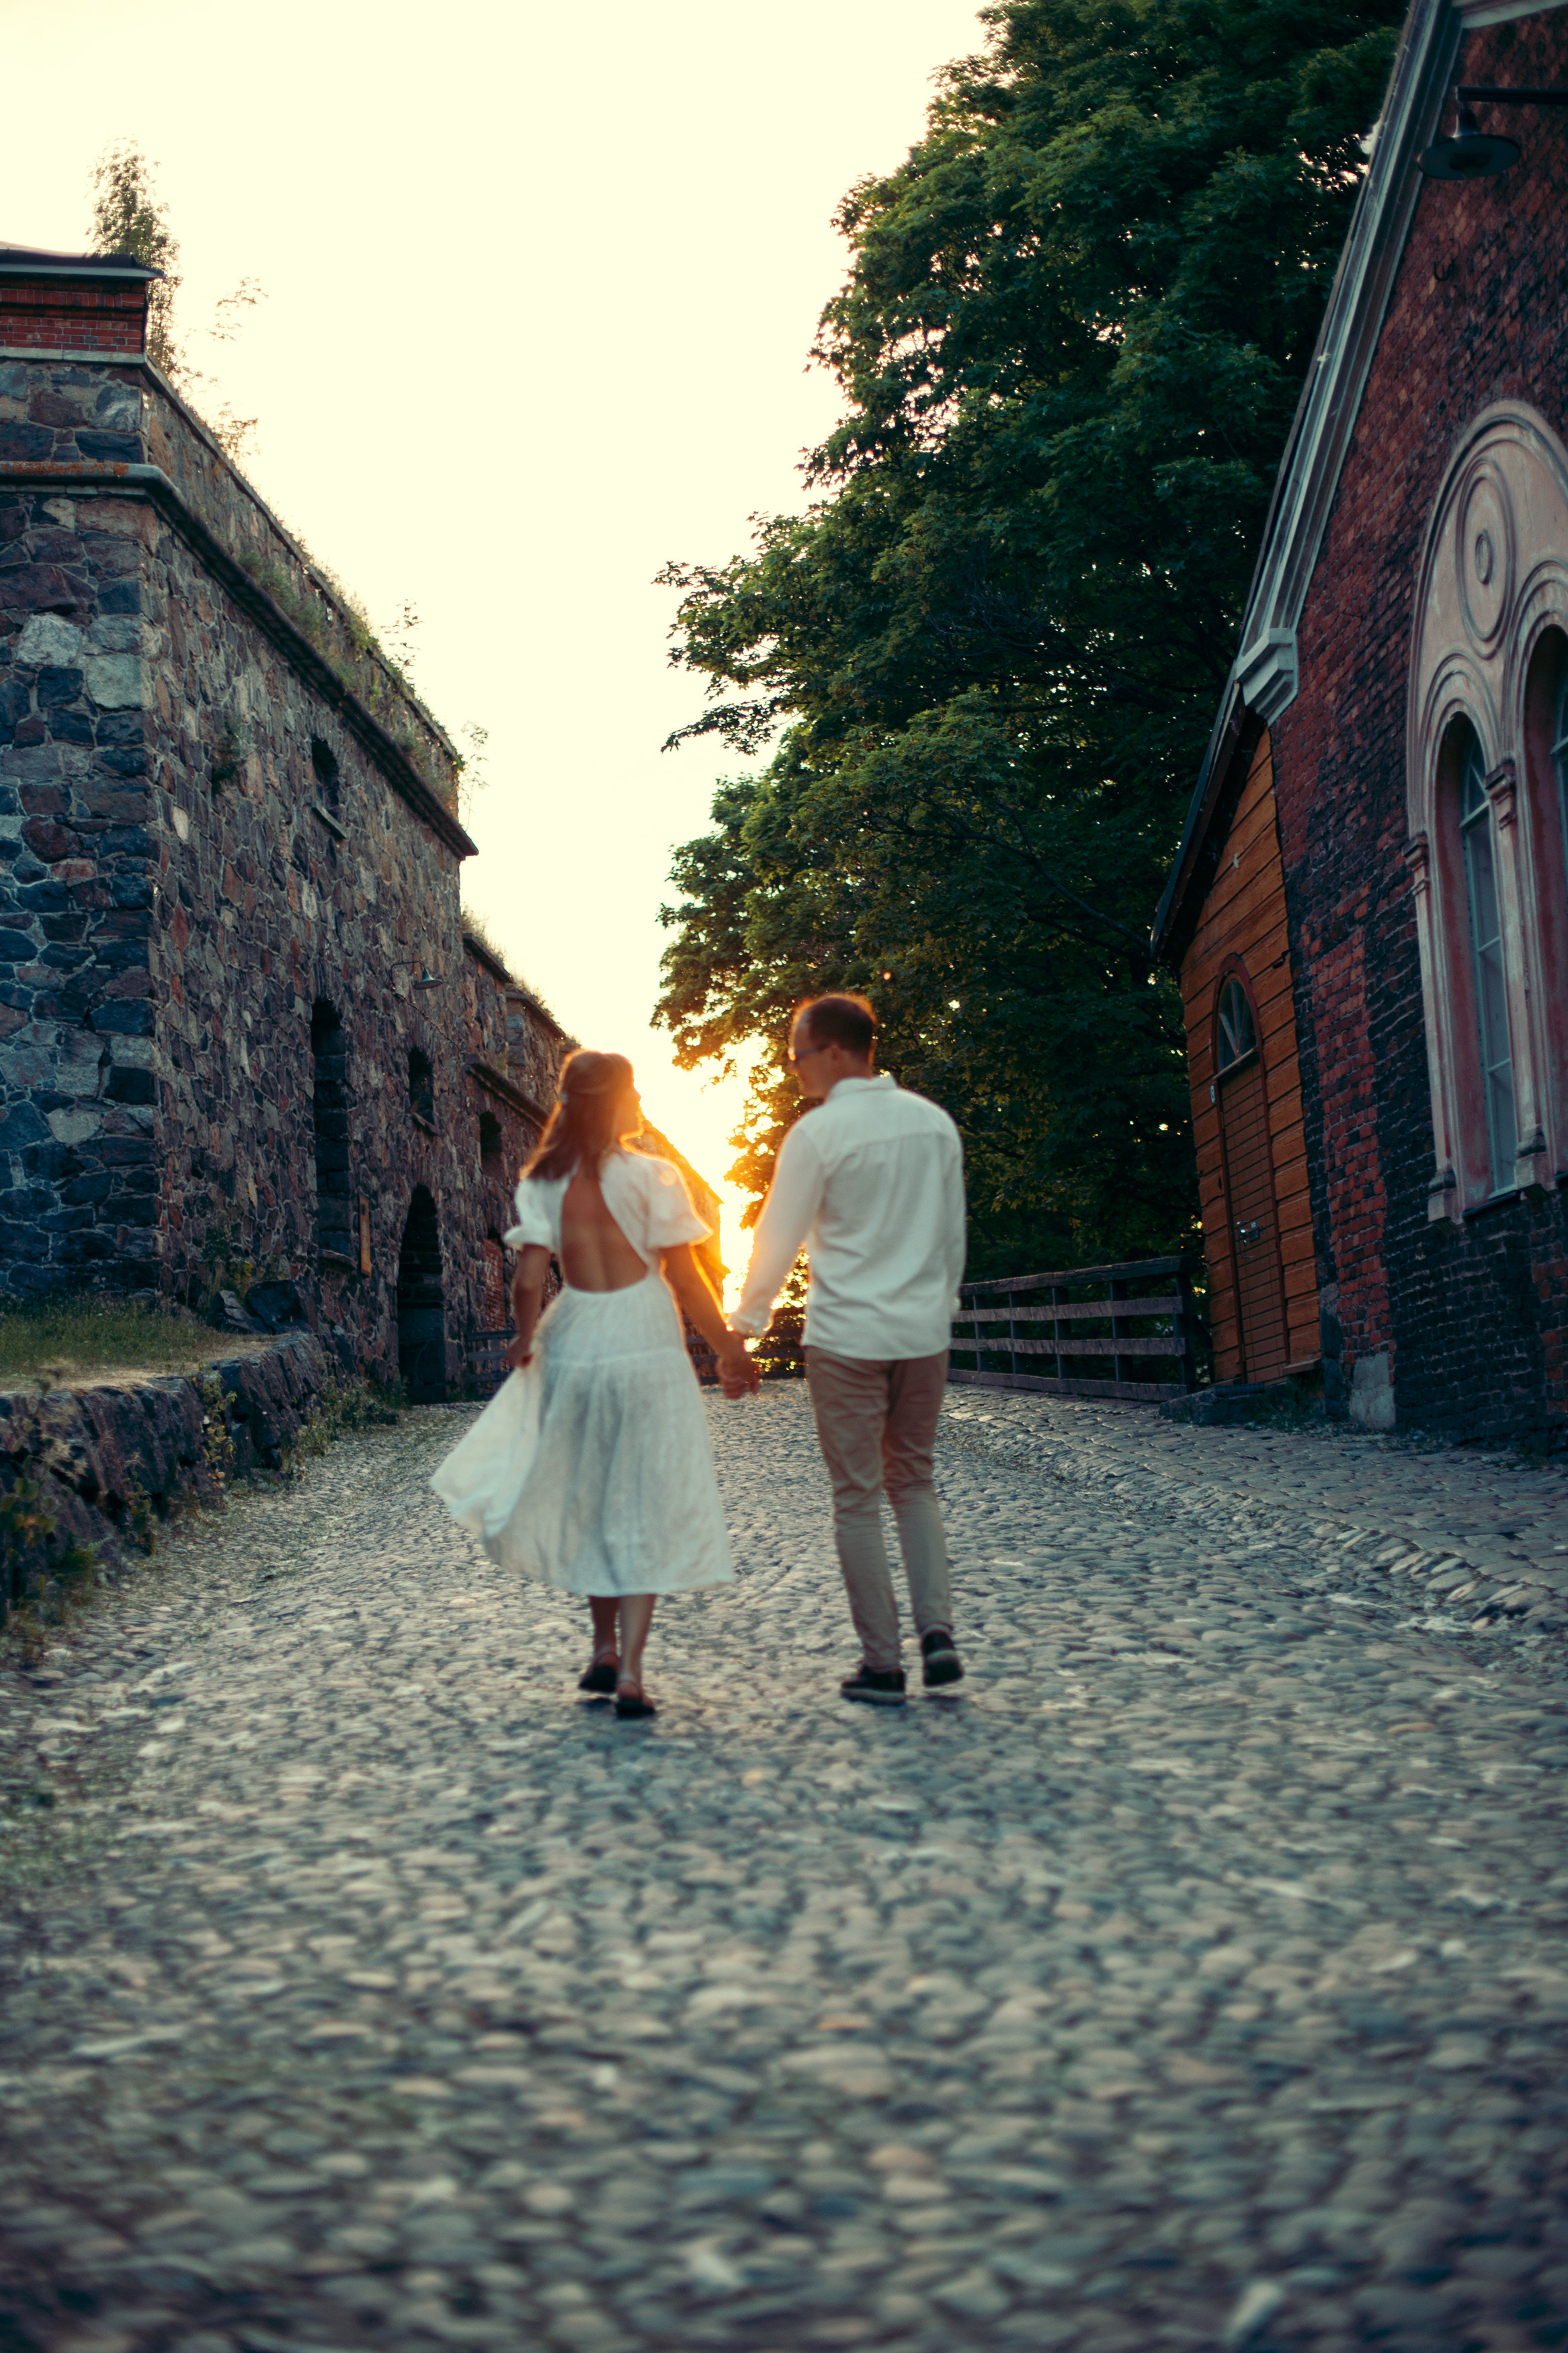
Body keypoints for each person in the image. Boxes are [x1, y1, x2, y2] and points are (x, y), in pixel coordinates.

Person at [431, 1051, 756, 1718]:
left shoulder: (544, 1182)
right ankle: (632, 1671)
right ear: (617, 1101)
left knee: (594, 1494)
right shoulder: (653, 1176)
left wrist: (524, 1339)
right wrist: (730, 1350)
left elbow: (527, 1281)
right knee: (641, 1498)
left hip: (577, 1337)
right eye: (633, 1092)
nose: (639, 1103)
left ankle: (601, 1647)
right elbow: (687, 1279)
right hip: (644, 1338)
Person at [729, 994, 966, 1705]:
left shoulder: (818, 1133)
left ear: (835, 1050)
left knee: (857, 1497)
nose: (794, 1067)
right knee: (914, 1482)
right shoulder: (932, 1123)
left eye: (797, 1054)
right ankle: (938, 1635)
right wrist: (942, 1308)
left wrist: (745, 1325)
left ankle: (882, 1665)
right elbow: (951, 1233)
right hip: (922, 1334)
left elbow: (777, 1235)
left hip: (846, 1335)